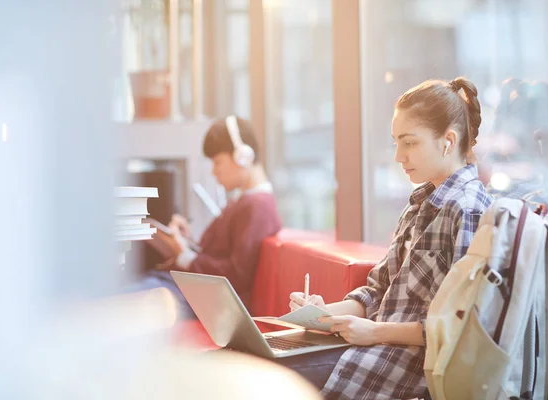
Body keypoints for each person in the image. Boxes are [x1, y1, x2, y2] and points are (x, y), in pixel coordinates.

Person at [282, 77, 493, 399]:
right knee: (249, 359)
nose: (398, 156)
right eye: (396, 143)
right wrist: (325, 315)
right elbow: (378, 290)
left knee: (264, 373)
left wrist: (375, 332)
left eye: (409, 143)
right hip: (375, 349)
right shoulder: (421, 204)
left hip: (409, 367)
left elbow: (460, 327)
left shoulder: (469, 211)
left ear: (447, 141)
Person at [132, 116, 282, 317]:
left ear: (242, 156)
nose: (213, 172)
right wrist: (186, 243)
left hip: (197, 297)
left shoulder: (258, 206)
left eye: (217, 162)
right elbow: (219, 255)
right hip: (188, 289)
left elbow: (235, 275)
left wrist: (185, 256)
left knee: (117, 301)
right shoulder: (245, 201)